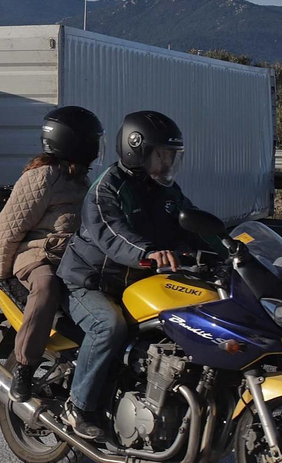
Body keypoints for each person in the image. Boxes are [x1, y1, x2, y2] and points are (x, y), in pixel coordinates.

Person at [57, 110, 208, 441]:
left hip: (135, 285)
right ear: (136, 150)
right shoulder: (107, 189)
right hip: (88, 282)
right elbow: (112, 233)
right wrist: (148, 253)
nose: (167, 163)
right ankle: (78, 407)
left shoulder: (167, 191)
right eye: (161, 155)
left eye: (172, 156)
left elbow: (193, 222)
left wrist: (232, 248)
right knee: (108, 326)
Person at [0, 106, 105, 403]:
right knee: (46, 288)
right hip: (37, 257)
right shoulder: (42, 176)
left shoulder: (83, 179)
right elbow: (9, 227)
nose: (97, 146)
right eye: (93, 139)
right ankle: (26, 368)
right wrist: (4, 274)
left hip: (75, 260)